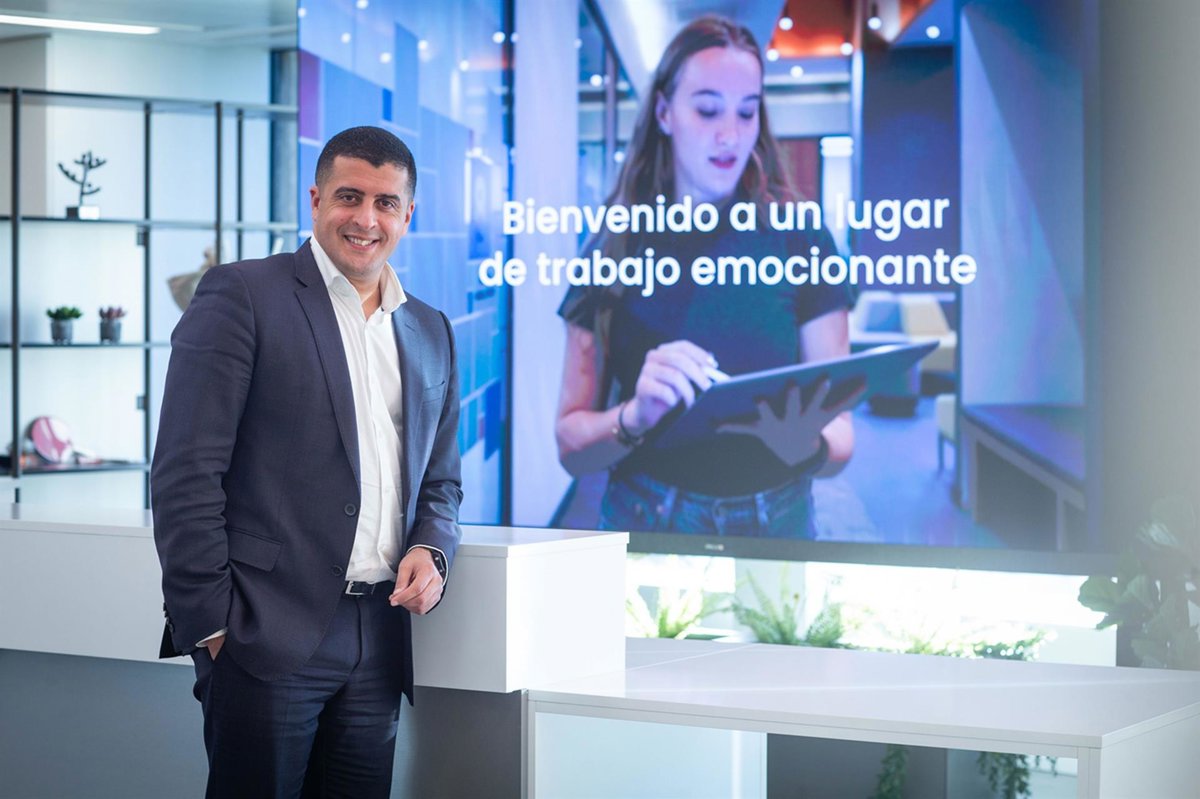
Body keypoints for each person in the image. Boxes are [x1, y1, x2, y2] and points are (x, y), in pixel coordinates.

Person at [152, 126, 462, 798]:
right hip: (263, 633)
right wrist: (213, 626)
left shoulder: (430, 329)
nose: (366, 219)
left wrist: (432, 548)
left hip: (380, 637)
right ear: (316, 199)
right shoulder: (243, 295)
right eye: (349, 196)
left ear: (408, 215)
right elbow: (184, 472)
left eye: (385, 203)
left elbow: (440, 481)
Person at [555, 16, 860, 538]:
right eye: (708, 109)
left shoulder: (801, 237)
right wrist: (635, 416)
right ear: (664, 112)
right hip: (647, 515)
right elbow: (570, 448)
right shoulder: (615, 245)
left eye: (747, 111)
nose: (730, 135)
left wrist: (808, 445)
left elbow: (842, 438)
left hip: (779, 520)